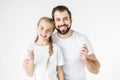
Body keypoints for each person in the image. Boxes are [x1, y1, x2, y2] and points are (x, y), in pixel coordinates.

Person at [51, 5, 100, 80]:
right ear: (54, 22)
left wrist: (85, 60)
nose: (62, 23)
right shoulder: (50, 41)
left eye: (65, 19)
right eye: (58, 19)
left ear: (71, 20)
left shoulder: (82, 39)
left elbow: (96, 70)